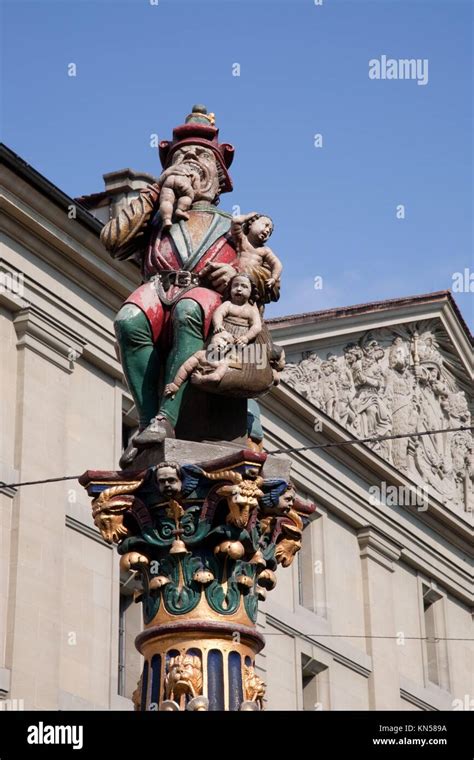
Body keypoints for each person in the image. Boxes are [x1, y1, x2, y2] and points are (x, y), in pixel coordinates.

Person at [100, 106, 279, 466]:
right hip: (159, 285)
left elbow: (268, 282)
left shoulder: (236, 225)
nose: (190, 161)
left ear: (219, 177)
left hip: (206, 297)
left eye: (201, 157)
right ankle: (151, 420)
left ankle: (168, 416)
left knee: (189, 309)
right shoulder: (154, 216)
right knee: (128, 321)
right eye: (181, 156)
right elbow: (112, 240)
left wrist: (238, 277)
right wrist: (156, 192)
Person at [164, 273, 262, 394]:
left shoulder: (251, 309)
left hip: (239, 340)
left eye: (244, 286)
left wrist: (246, 338)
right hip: (223, 334)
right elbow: (218, 314)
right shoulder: (228, 304)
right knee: (212, 354)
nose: (239, 289)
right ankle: (206, 372)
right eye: (235, 285)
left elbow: (256, 326)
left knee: (234, 363)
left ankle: (225, 374)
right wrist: (218, 325)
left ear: (252, 291)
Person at [231, 212, 283, 295]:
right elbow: (235, 221)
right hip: (237, 275)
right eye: (265, 225)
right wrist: (247, 216)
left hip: (253, 280)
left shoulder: (264, 250)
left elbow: (277, 264)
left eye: (269, 232)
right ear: (251, 224)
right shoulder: (242, 240)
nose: (267, 231)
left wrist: (274, 278)